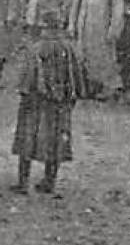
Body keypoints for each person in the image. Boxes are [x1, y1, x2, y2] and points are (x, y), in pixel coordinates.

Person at [12, 10, 85, 197]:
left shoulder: (35, 49)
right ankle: (49, 181)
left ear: (44, 27)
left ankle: (23, 182)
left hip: (36, 103)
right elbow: (78, 79)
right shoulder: (69, 49)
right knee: (56, 142)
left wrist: (25, 94)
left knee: (27, 139)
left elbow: (26, 81)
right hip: (61, 104)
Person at [68, 0, 125, 99]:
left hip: (102, 28)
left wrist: (114, 29)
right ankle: (86, 88)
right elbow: (76, 4)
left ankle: (105, 89)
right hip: (85, 26)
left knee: (103, 59)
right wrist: (72, 24)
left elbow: (117, 9)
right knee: (84, 57)